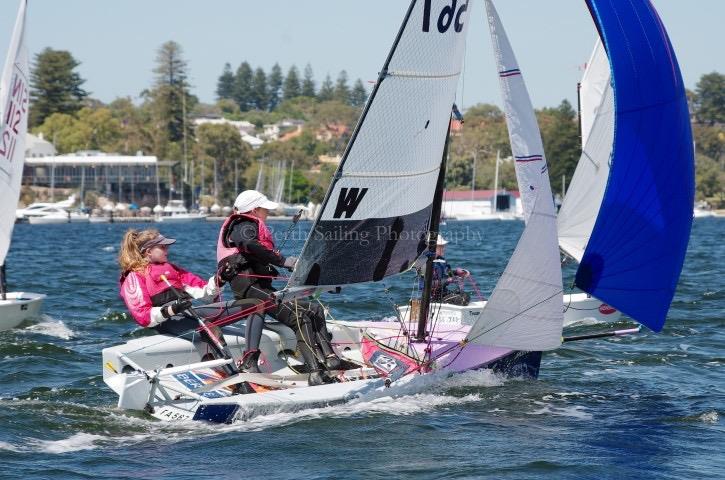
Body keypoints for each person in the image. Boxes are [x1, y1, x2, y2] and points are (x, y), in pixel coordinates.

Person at [216, 190, 341, 385]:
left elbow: (254, 256)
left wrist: (280, 269)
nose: (268, 212)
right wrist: (284, 261)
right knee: (298, 317)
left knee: (314, 309)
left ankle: (329, 357)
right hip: (249, 289)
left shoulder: (247, 224)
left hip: (260, 287)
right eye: (265, 209)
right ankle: (315, 372)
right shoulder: (243, 224)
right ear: (255, 209)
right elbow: (249, 243)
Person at [118, 228, 263, 377]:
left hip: (190, 313)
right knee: (212, 330)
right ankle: (235, 378)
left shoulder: (172, 269)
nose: (167, 250)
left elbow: (204, 292)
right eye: (162, 247)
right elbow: (144, 316)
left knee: (255, 305)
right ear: (148, 251)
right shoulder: (134, 276)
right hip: (168, 321)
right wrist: (172, 310)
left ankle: (249, 363)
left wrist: (221, 279)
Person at [417, 235, 471, 306]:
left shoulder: (441, 260)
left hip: (443, 294)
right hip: (431, 298)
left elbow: (447, 273)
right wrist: (447, 281)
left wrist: (457, 272)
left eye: (443, 246)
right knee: (461, 300)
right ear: (432, 247)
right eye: (441, 246)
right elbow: (425, 285)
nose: (443, 248)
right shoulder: (424, 263)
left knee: (465, 296)